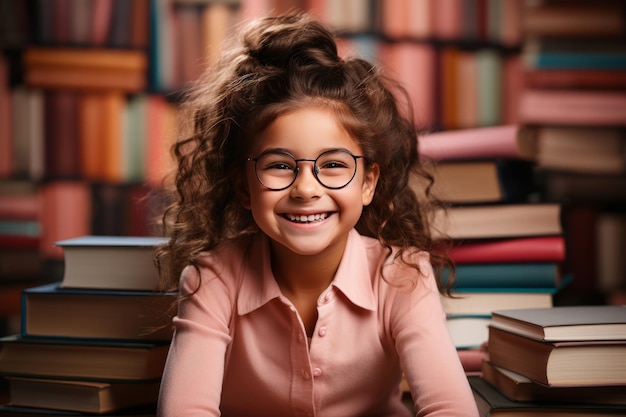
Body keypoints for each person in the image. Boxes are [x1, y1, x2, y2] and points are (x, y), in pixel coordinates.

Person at [155, 12, 479, 417]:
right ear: (242, 186)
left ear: (367, 183)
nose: (306, 189)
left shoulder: (402, 275)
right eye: (278, 165)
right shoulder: (213, 279)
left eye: (333, 165)